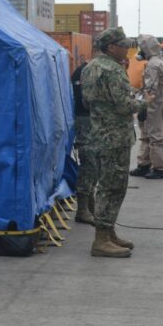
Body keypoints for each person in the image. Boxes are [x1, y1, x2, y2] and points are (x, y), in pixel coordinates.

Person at [80, 27, 146, 257]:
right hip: (115, 138)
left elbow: (86, 102)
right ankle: (101, 239)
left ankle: (108, 233)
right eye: (123, 45)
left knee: (106, 186)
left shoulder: (90, 68)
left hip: (99, 134)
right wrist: (145, 103)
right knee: (113, 188)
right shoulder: (114, 70)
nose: (127, 49)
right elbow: (124, 105)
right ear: (111, 47)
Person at [131, 34, 163, 179]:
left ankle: (159, 168)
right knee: (147, 134)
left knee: (154, 135)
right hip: (159, 102)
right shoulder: (160, 60)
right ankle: (144, 164)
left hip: (154, 104)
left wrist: (143, 107)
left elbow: (150, 89)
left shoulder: (153, 64)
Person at [71, 60, 96, 224]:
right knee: (89, 164)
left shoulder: (86, 69)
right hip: (86, 121)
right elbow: (84, 101)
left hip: (90, 121)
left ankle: (89, 204)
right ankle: (82, 208)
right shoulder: (86, 71)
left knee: (94, 165)